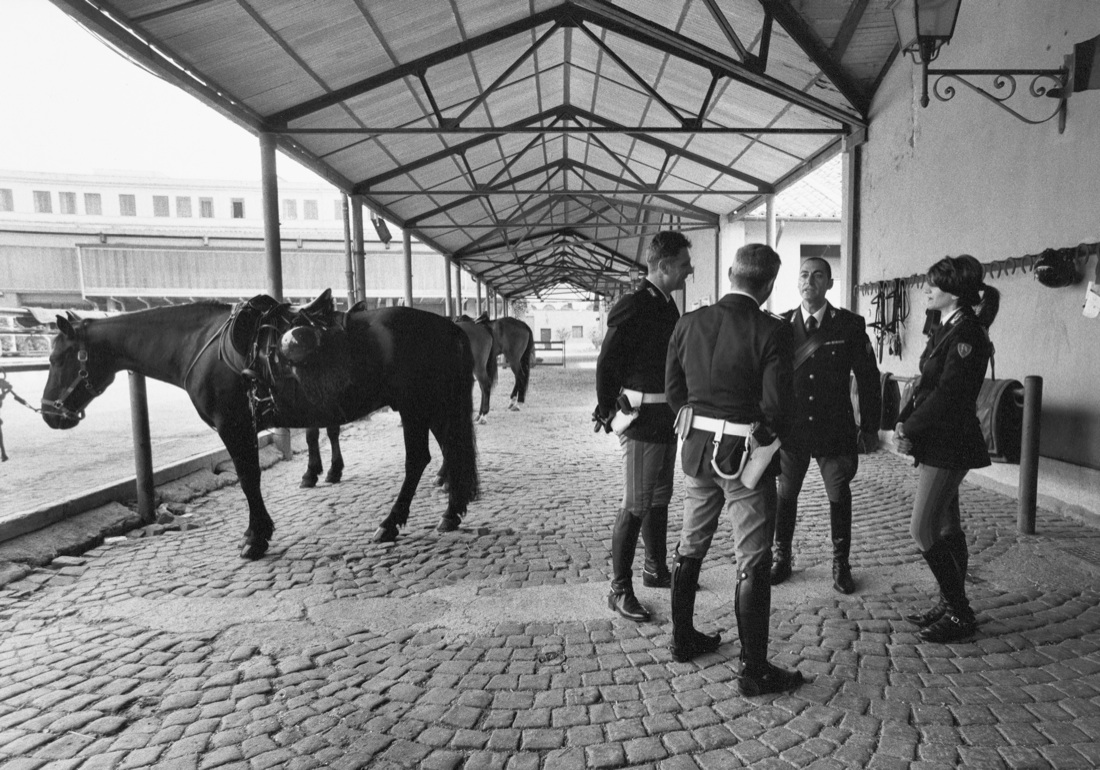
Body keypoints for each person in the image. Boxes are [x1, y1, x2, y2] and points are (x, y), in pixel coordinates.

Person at [665, 243, 803, 696]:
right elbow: (776, 405)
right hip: (745, 458)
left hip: (699, 453)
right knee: (753, 558)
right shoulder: (771, 330)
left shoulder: (688, 323)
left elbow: (674, 391)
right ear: (767, 285)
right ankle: (754, 669)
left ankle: (682, 638)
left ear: (730, 273)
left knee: (691, 543)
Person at [895, 254, 1000, 643]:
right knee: (945, 525)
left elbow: (949, 396)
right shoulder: (947, 325)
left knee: (922, 529)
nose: (926, 290)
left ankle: (960, 614)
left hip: (950, 442)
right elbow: (925, 384)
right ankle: (949, 601)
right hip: (938, 439)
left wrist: (911, 425)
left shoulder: (967, 333)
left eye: (933, 285)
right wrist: (903, 418)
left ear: (953, 293)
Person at [593, 231, 694, 622]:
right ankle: (618, 589)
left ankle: (654, 568)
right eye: (684, 265)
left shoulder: (668, 305)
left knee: (659, 497)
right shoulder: (633, 306)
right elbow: (606, 364)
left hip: (665, 419)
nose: (689, 271)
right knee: (635, 504)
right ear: (665, 266)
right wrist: (607, 409)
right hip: (641, 421)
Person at [771, 257, 882, 594]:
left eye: (818, 276)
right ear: (797, 281)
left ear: (830, 283)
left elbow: (868, 379)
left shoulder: (849, 325)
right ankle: (781, 557)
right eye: (804, 275)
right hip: (793, 432)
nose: (810, 282)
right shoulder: (781, 325)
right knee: (785, 495)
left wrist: (871, 427)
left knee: (838, 495)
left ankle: (840, 563)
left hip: (834, 430)